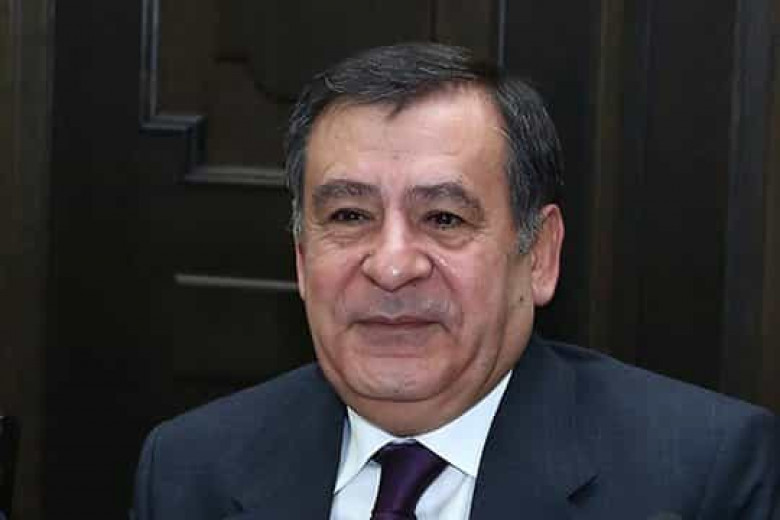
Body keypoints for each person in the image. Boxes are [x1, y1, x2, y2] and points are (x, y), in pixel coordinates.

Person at [131, 42, 779, 519]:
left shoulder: (702, 477)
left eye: (444, 218)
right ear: (302, 260)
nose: (391, 266)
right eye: (350, 216)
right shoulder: (192, 470)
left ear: (539, 256)